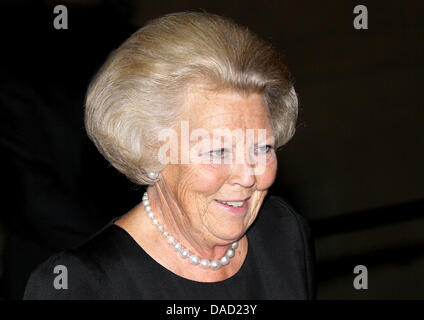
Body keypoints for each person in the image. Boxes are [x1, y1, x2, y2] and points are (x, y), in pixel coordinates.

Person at [24, 11, 315, 299]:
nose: (248, 175)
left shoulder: (284, 233)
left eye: (261, 148)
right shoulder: (79, 285)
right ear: (152, 150)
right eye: (218, 151)